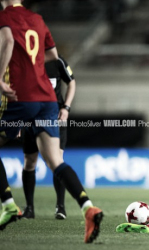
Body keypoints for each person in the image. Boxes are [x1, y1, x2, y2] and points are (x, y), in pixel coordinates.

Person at [0, 1, 102, 243]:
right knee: (55, 160)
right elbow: (53, 56)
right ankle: (88, 208)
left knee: (31, 159)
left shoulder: (5, 17)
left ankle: (8, 205)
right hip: (47, 99)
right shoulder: (37, 19)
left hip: (22, 96)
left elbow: (8, 41)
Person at [21, 55, 76, 220]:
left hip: (56, 118)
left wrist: (66, 107)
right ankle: (29, 207)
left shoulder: (58, 62)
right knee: (30, 161)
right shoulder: (24, 61)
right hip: (30, 117)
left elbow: (71, 82)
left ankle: (61, 207)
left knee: (57, 159)